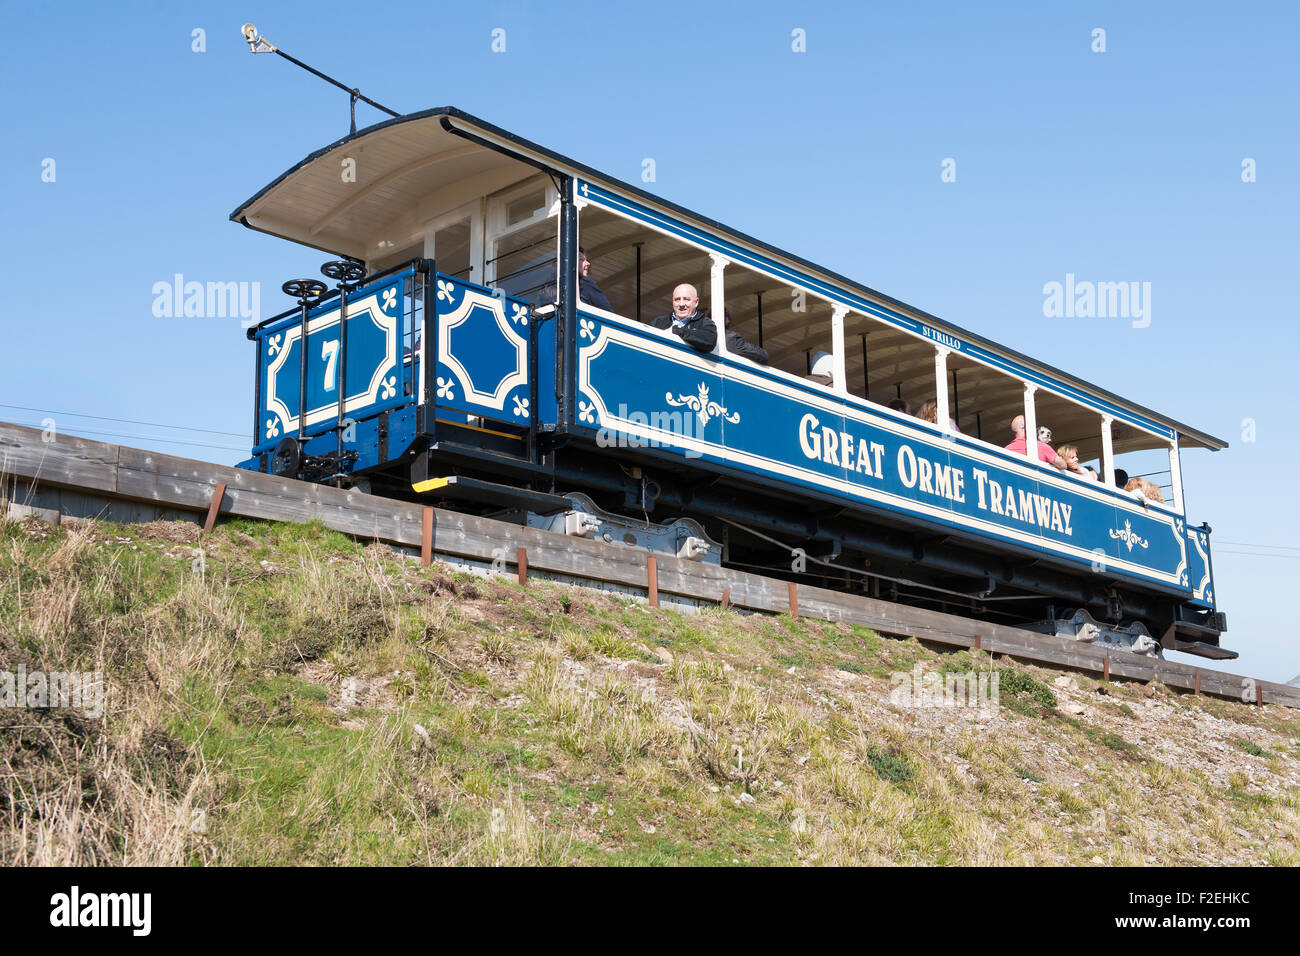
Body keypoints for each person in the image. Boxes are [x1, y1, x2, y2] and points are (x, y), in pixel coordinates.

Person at [536, 247, 611, 311]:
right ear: (570, 263)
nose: (588, 263)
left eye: (586, 260)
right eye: (582, 260)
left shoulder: (546, 289)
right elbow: (607, 311)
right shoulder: (584, 283)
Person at [651, 284, 717, 353]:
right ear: (673, 302)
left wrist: (676, 330)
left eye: (686, 299)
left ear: (696, 302)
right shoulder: (659, 322)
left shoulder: (705, 323)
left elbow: (710, 341)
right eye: (677, 299)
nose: (681, 304)